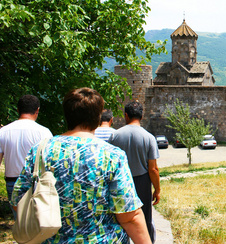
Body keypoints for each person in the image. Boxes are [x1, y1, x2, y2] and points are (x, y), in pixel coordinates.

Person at [11, 88, 151, 243]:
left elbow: (19, 201)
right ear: (98, 118)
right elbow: (129, 216)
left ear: (67, 115)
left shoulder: (40, 150)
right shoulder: (111, 155)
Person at [109, 101, 161, 244]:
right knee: (145, 218)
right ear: (142, 116)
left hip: (119, 181)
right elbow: (153, 168)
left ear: (126, 115)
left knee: (119, 217)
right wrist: (157, 189)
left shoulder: (115, 136)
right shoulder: (149, 137)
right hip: (142, 181)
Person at [0, 95, 53, 202]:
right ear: (37, 110)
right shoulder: (44, 132)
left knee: (18, 217)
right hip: (35, 182)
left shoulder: (3, 131)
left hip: (12, 181)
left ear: (18, 109)